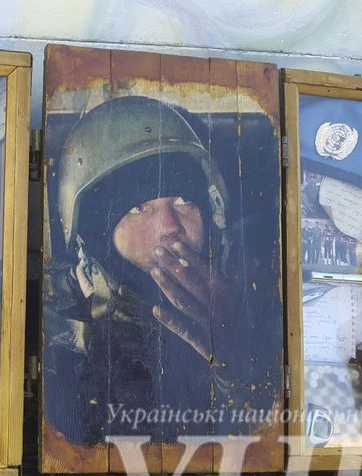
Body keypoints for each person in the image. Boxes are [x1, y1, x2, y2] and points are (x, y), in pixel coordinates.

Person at [44, 96, 274, 445]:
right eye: (139, 207)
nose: (170, 227)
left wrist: (240, 364)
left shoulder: (259, 302)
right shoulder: (59, 334)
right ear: (95, 233)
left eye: (183, 201)